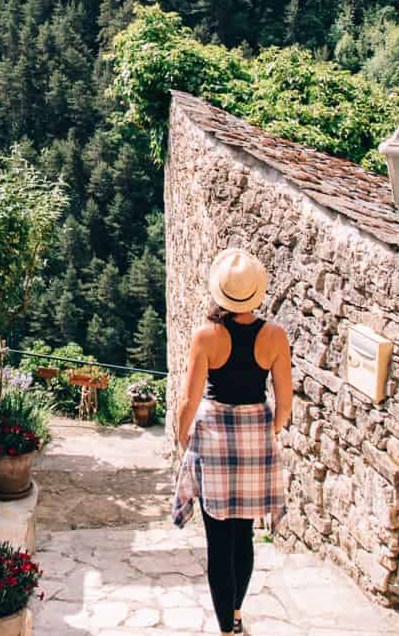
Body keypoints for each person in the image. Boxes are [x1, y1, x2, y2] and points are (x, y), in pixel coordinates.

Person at [172, 247, 292, 636]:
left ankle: (227, 628)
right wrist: (265, 434)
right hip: (255, 436)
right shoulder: (275, 337)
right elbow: (285, 405)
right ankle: (237, 613)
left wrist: (182, 437)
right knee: (243, 535)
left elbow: (189, 400)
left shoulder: (206, 336)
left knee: (218, 540)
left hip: (215, 438)